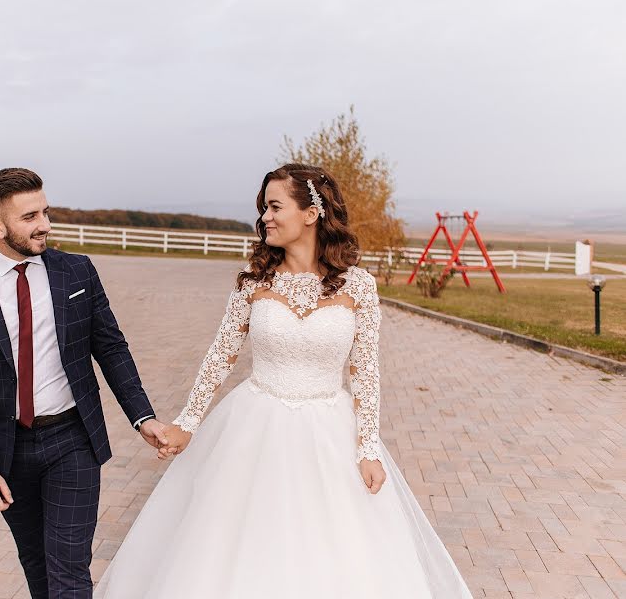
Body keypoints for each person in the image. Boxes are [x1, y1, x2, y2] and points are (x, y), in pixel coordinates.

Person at [95, 164, 473, 598]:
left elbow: (366, 372)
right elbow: (221, 355)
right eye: (264, 209)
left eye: (275, 207)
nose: (265, 218)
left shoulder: (360, 287)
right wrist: (188, 423)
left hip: (328, 433)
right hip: (254, 427)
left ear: (311, 213)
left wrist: (369, 448)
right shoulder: (253, 281)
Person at [0, 167, 170, 599]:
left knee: (68, 571)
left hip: (72, 441)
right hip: (8, 452)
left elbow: (111, 348)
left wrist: (144, 417)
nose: (44, 224)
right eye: (29, 217)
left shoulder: (76, 273)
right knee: (37, 567)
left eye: (45, 211)